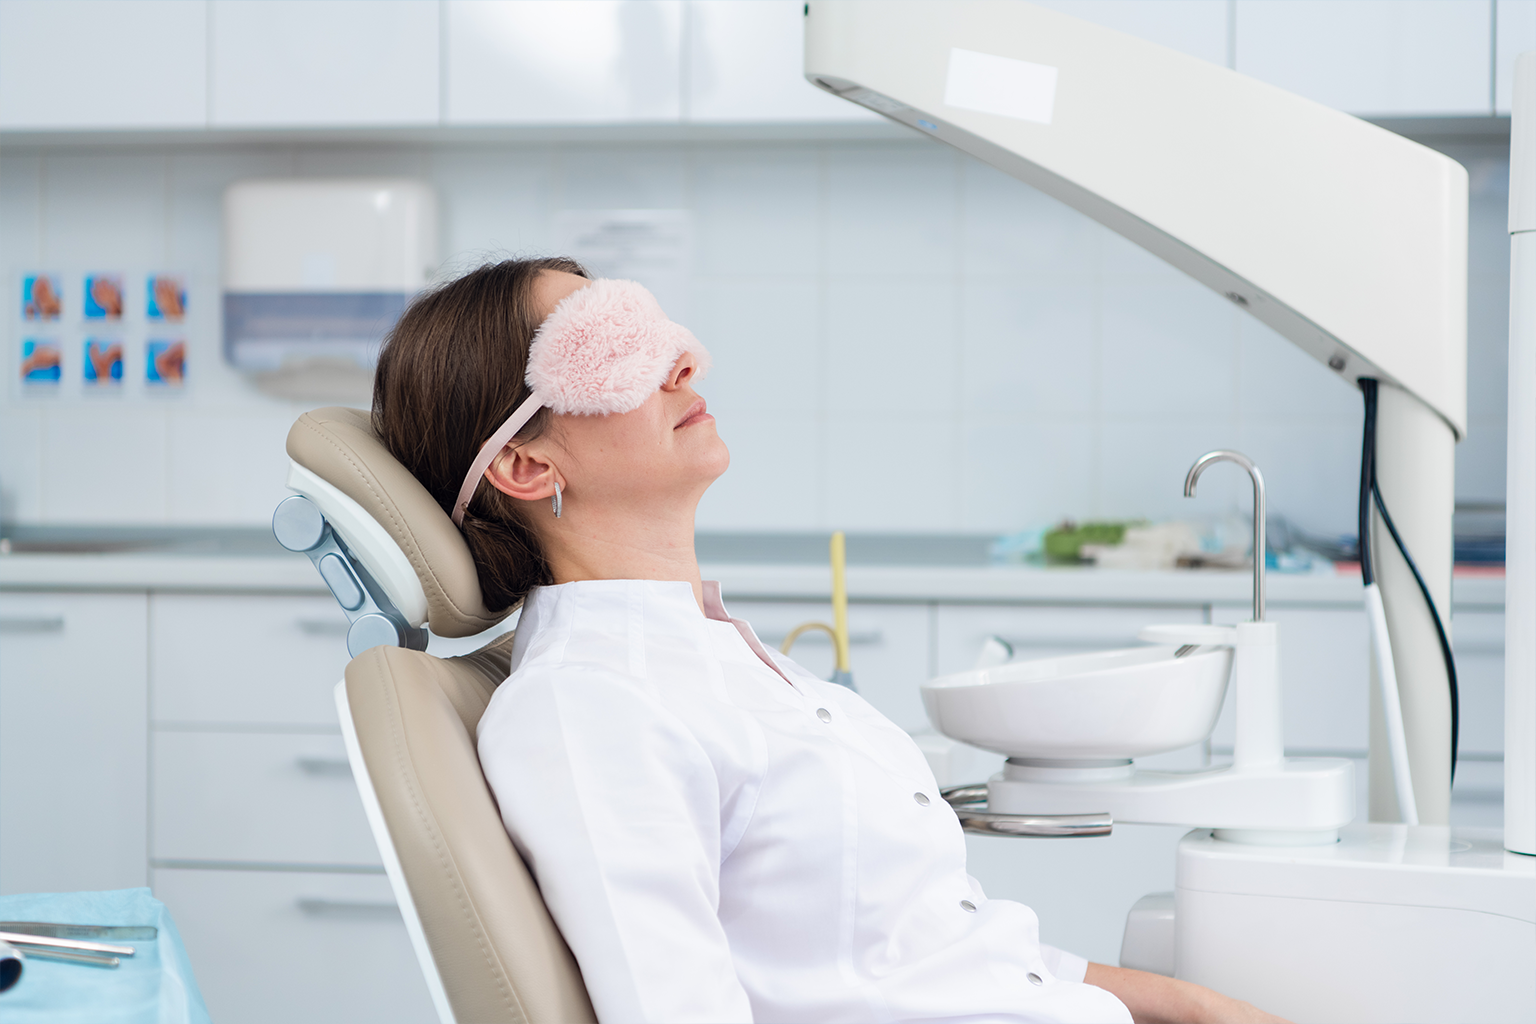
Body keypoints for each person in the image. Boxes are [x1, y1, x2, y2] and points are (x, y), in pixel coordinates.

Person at [373, 258, 1284, 1024]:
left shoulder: (719, 658)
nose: (684, 362)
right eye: (612, 347)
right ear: (527, 465)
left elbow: (928, 955)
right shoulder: (590, 706)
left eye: (656, 329)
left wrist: (1191, 1006)